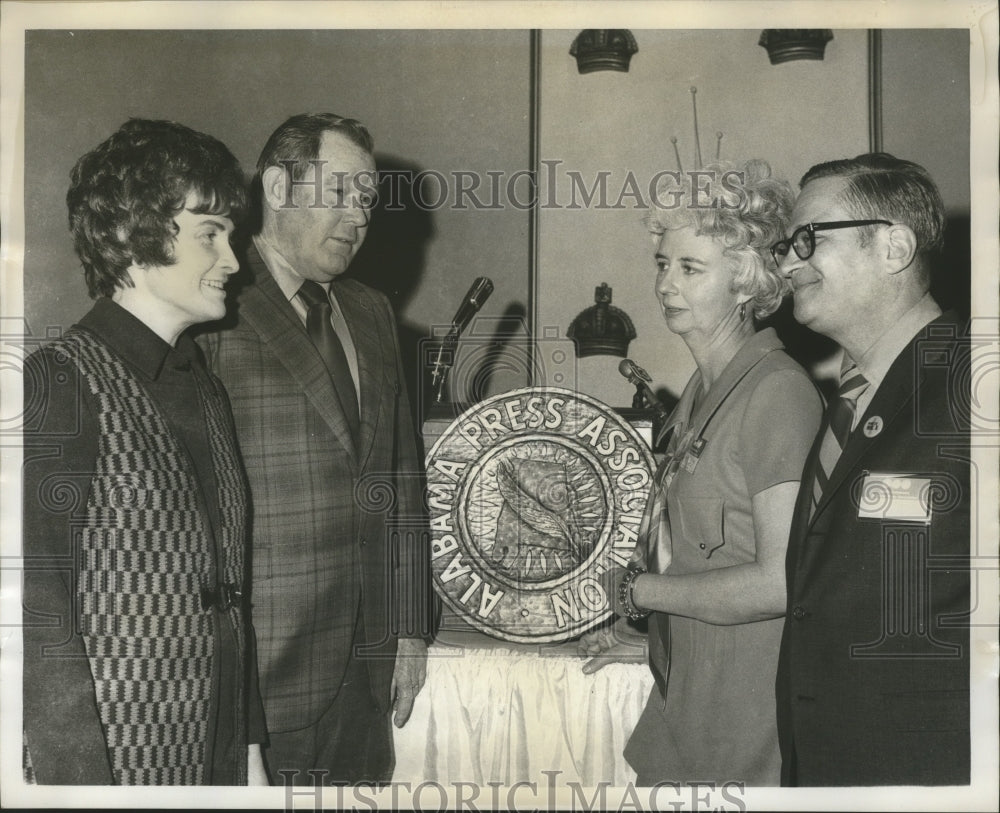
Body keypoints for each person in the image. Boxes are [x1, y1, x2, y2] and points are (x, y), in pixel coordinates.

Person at [22, 119, 267, 785]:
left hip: (214, 756)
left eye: (232, 235)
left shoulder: (206, 389)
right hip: (116, 767)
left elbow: (229, 599)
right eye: (209, 233)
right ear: (134, 234)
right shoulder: (60, 382)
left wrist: (248, 756)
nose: (234, 260)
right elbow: (37, 619)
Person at [198, 113, 431, 785]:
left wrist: (411, 625)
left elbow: (401, 475)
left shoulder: (371, 311)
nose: (358, 216)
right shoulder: (216, 301)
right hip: (261, 677)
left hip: (368, 672)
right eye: (341, 193)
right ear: (278, 185)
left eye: (367, 200)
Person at [581, 159, 823, 785]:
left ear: (746, 281)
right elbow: (702, 555)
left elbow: (780, 583)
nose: (665, 283)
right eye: (663, 263)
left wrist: (641, 593)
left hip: (745, 714)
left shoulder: (776, 392)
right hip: (691, 690)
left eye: (691, 268)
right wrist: (658, 633)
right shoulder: (700, 390)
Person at [772, 153, 970, 786]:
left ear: (894, 247)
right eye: (786, 244)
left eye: (808, 239)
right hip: (828, 765)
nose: (787, 261)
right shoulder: (847, 404)